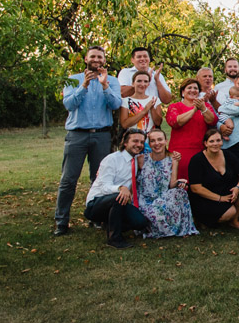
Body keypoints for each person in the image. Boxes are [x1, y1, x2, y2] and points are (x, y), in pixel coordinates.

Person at [55, 45, 122, 236]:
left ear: (104, 60)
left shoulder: (112, 81)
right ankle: (61, 221)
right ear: (86, 59)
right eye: (93, 56)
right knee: (68, 180)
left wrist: (104, 86)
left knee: (99, 178)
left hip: (101, 135)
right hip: (77, 135)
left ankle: (96, 218)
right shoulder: (73, 80)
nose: (96, 60)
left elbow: (116, 104)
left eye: (100, 57)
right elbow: (69, 104)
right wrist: (84, 85)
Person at [83, 127, 150, 249]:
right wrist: (120, 188)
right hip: (96, 203)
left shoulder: (136, 160)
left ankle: (110, 222)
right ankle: (114, 239)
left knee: (140, 222)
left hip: (119, 203)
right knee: (117, 197)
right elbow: (104, 187)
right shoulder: (112, 159)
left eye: (141, 142)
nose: (139, 145)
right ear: (125, 143)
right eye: (135, 141)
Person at [135, 129, 198, 238]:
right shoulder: (141, 159)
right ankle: (161, 228)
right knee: (157, 215)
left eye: (160, 139)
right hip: (146, 201)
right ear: (149, 144)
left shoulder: (173, 159)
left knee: (181, 192)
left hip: (164, 197)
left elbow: (172, 185)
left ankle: (185, 229)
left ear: (166, 141)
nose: (157, 143)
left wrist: (179, 182)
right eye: (153, 141)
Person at [187, 128, 239, 230]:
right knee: (229, 212)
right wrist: (219, 198)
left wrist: (237, 188)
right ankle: (205, 220)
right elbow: (196, 188)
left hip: (225, 191)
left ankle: (234, 220)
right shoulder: (197, 160)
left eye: (218, 140)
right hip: (205, 198)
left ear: (222, 141)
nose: (215, 144)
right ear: (205, 143)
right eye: (211, 141)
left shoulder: (227, 154)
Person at [167, 79, 217, 183]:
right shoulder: (174, 107)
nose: (193, 90)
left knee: (198, 182)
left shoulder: (205, 106)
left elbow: (212, 120)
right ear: (182, 92)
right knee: (180, 183)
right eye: (189, 88)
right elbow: (176, 122)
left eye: (196, 88)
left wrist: (202, 108)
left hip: (200, 151)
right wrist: (195, 109)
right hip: (179, 152)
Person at [119, 69, 164, 143]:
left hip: (150, 141)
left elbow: (158, 122)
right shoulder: (125, 101)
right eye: (139, 81)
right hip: (132, 140)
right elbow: (125, 124)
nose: (142, 84)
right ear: (133, 83)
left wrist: (152, 108)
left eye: (146, 81)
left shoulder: (155, 99)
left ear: (148, 84)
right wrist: (145, 110)